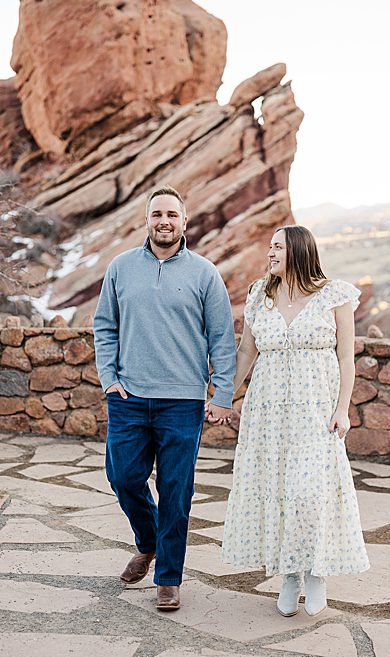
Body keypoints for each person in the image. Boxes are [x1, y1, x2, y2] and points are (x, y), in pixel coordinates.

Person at [93, 186, 236, 611]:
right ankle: (150, 541)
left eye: (172, 214)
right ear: (147, 219)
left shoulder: (205, 273)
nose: (164, 221)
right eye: (157, 213)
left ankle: (168, 577)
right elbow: (104, 327)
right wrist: (109, 378)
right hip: (129, 396)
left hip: (183, 402)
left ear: (185, 222)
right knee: (123, 478)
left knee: (176, 490)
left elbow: (222, 339)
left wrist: (222, 392)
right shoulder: (120, 268)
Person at [220, 225, 369, 617]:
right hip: (267, 415)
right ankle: (289, 575)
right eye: (269, 247)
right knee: (279, 494)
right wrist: (221, 398)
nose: (270, 253)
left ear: (299, 251)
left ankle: (316, 573)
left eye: (277, 248)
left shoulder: (334, 295)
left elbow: (345, 360)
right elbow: (246, 354)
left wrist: (342, 410)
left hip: (315, 412)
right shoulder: (259, 295)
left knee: (308, 496)